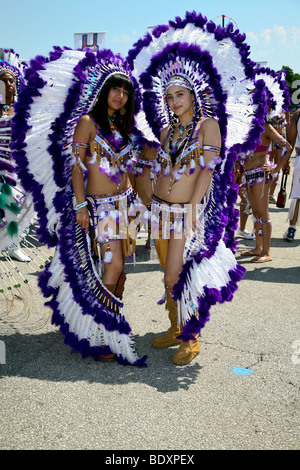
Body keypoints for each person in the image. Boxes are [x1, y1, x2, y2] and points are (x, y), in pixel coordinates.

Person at [128, 11, 267, 365]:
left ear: (192, 94)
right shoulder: (165, 133)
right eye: (169, 97)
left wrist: (191, 208)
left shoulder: (209, 127)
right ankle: (175, 327)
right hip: (159, 210)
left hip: (186, 212)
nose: (174, 102)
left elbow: (205, 173)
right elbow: (159, 168)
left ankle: (192, 336)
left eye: (179, 95)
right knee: (166, 274)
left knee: (180, 272)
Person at [12, 47, 147, 366]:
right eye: (116, 88)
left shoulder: (121, 129)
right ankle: (102, 331)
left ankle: (109, 325)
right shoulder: (88, 122)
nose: (121, 95)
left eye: (126, 90)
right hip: (99, 208)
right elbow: (75, 167)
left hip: (123, 207)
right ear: (104, 91)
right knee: (111, 267)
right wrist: (80, 205)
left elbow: (130, 168)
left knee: (119, 270)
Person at [240, 69, 292, 263]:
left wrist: (276, 168)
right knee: (255, 213)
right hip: (249, 175)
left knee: (263, 213)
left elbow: (286, 146)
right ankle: (258, 247)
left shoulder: (266, 126)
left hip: (261, 174)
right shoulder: (247, 127)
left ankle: (267, 252)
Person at [0, 56, 32, 264]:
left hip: (17, 166)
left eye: (11, 80)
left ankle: (13, 245)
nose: (8, 84)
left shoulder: (23, 110)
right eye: (3, 80)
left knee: (16, 206)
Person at [283, 107, 300, 241]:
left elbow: (290, 142)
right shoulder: (297, 115)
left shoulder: (297, 115)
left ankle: (292, 229)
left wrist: (285, 162)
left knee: (297, 195)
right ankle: (292, 229)